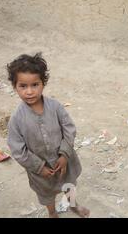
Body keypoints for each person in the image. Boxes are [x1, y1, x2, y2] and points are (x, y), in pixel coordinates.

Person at [7, 53, 90, 218]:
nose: (29, 92)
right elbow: (17, 149)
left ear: (43, 84)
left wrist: (65, 154)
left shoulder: (55, 107)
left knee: (69, 184)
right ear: (15, 86)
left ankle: (73, 205)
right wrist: (39, 167)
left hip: (64, 162)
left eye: (35, 85)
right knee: (46, 194)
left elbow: (69, 128)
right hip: (40, 171)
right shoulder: (17, 119)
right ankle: (52, 213)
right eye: (23, 86)